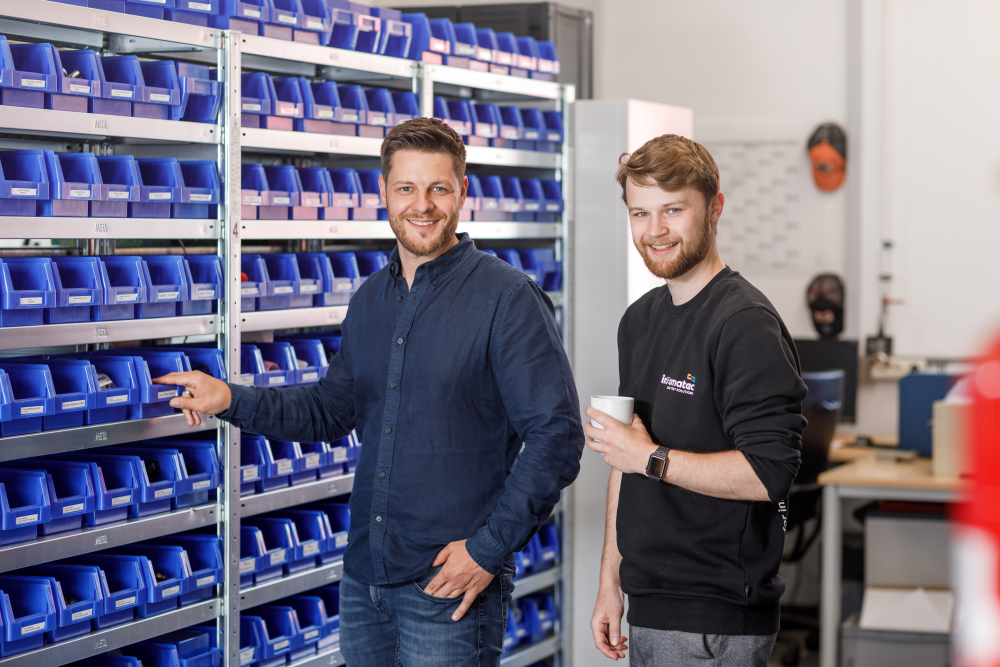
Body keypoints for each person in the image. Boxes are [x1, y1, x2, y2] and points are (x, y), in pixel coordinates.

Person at [154, 118, 584, 667]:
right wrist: (229, 399)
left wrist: (487, 551)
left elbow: (557, 436)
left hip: (448, 586)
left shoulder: (507, 298)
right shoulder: (371, 300)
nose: (422, 205)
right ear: (384, 192)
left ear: (462, 193)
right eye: (406, 188)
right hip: (365, 581)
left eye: (438, 189)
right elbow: (329, 412)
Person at [587, 134, 806, 666]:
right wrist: (610, 582)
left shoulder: (743, 323)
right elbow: (627, 458)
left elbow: (767, 472)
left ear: (714, 209)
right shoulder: (639, 320)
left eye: (673, 210)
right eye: (640, 213)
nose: (654, 231)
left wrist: (651, 459)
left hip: (715, 616)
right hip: (652, 600)